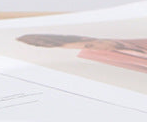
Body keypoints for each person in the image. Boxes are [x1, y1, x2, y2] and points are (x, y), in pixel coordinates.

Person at [17, 34, 147, 73]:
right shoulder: (110, 57)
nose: (96, 51)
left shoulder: (135, 40)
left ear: (87, 39)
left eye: (90, 46)